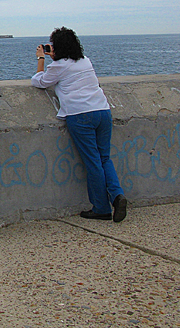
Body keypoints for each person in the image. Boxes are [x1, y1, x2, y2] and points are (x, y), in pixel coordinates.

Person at [31, 27, 127, 222]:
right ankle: (117, 195)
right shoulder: (85, 61)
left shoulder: (58, 66)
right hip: (102, 111)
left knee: (93, 162)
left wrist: (41, 59)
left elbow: (39, 82)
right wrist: (55, 58)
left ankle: (101, 208)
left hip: (80, 115)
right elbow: (68, 71)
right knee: (104, 158)